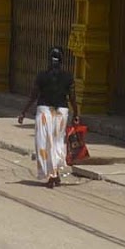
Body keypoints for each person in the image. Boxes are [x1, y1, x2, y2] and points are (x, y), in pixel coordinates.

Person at [19, 46, 77, 188]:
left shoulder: (41, 76)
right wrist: (76, 113)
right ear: (61, 61)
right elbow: (72, 97)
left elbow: (33, 95)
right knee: (57, 143)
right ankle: (55, 173)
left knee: (44, 144)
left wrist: (24, 111)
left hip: (44, 112)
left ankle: (52, 175)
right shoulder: (68, 77)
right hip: (61, 112)